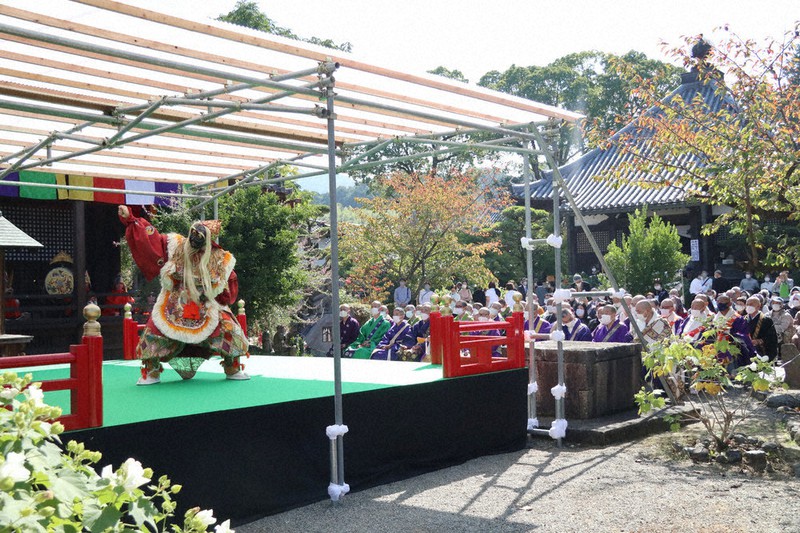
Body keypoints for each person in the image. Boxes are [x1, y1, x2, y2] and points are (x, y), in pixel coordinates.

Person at [118, 205, 249, 385]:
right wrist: (132, 220)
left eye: (199, 238)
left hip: (206, 304)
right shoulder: (175, 245)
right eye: (193, 235)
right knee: (153, 333)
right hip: (174, 304)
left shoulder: (219, 258)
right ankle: (151, 372)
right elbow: (152, 239)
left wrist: (219, 295)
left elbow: (227, 289)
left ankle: (232, 367)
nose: (194, 240)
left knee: (230, 330)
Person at [744, 296, 779, 361]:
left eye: (751, 304)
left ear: (758, 306)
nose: (748, 306)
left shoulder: (766, 320)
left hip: (761, 349)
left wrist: (758, 341)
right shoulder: (743, 320)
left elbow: (771, 337)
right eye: (747, 304)